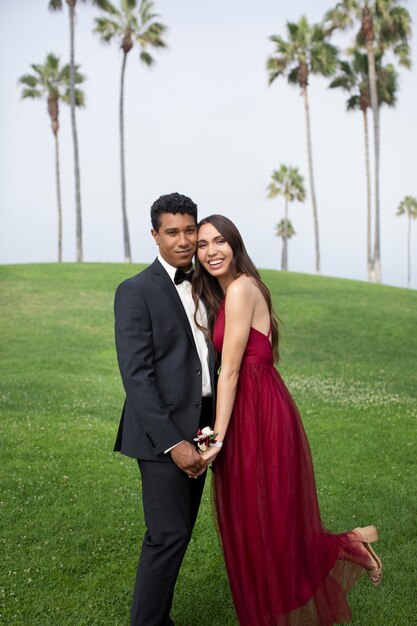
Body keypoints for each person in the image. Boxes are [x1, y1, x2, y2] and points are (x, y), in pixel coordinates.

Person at [192, 214, 383, 626]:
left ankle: (347, 546)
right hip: (248, 407)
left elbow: (230, 370)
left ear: (235, 244)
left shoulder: (241, 289)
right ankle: (349, 545)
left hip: (259, 410)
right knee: (254, 520)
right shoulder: (227, 294)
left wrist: (215, 440)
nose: (211, 251)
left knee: (270, 519)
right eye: (203, 244)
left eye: (220, 241)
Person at [114, 193, 216, 626]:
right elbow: (137, 377)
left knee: (178, 534)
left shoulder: (209, 285)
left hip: (202, 428)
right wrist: (174, 443)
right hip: (161, 435)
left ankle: (159, 618)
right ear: (154, 235)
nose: (183, 239)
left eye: (190, 230)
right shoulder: (135, 291)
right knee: (167, 535)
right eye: (172, 231)